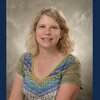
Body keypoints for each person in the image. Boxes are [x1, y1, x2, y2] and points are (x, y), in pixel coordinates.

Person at [9, 7, 83, 100]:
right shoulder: (25, 60)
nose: (47, 32)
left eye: (54, 27)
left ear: (61, 33)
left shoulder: (71, 64)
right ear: (35, 30)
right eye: (42, 26)